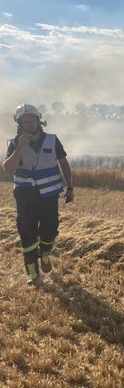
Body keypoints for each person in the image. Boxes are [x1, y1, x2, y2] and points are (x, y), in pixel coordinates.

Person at [2, 103, 74, 286]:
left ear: (38, 120)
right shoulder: (14, 143)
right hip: (25, 198)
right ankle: (32, 273)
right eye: (24, 121)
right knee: (27, 234)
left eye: (31, 120)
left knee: (50, 230)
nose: (29, 124)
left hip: (49, 196)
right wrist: (20, 147)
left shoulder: (52, 139)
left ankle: (45, 253)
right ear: (19, 124)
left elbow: (64, 164)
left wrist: (70, 187)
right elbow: (8, 170)